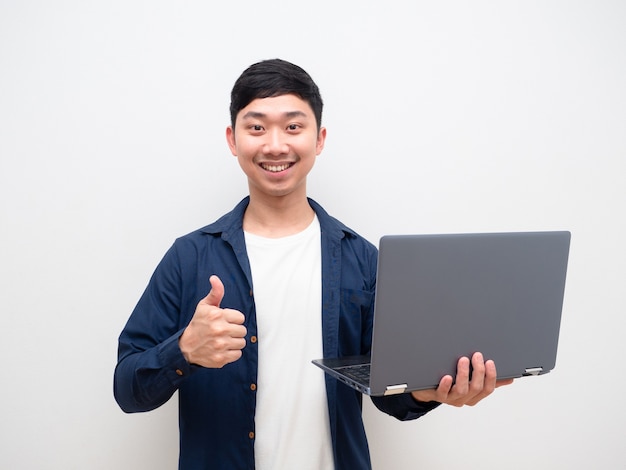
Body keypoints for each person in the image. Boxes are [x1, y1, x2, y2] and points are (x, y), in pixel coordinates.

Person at [114, 58, 513, 470]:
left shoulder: (362, 259)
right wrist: (183, 350)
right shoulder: (188, 257)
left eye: (293, 126)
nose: (275, 145)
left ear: (319, 139)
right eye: (256, 127)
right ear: (233, 140)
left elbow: (391, 389)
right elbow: (127, 388)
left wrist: (433, 390)